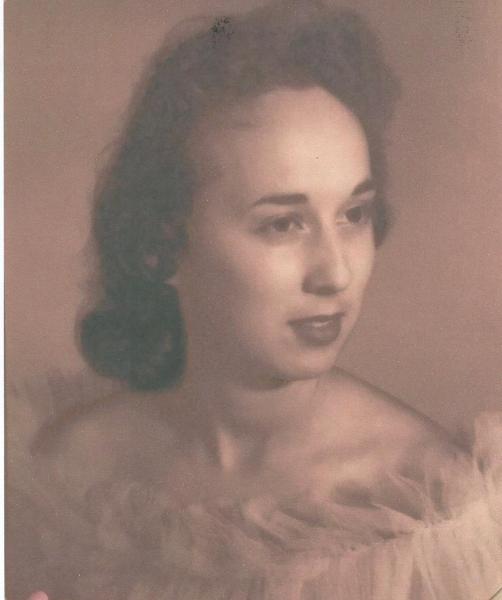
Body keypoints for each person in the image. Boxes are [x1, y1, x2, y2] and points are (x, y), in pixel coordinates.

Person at [7, 1, 502, 599]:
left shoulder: (429, 514)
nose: (336, 272)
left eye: (354, 214)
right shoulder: (62, 470)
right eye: (283, 224)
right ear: (161, 247)